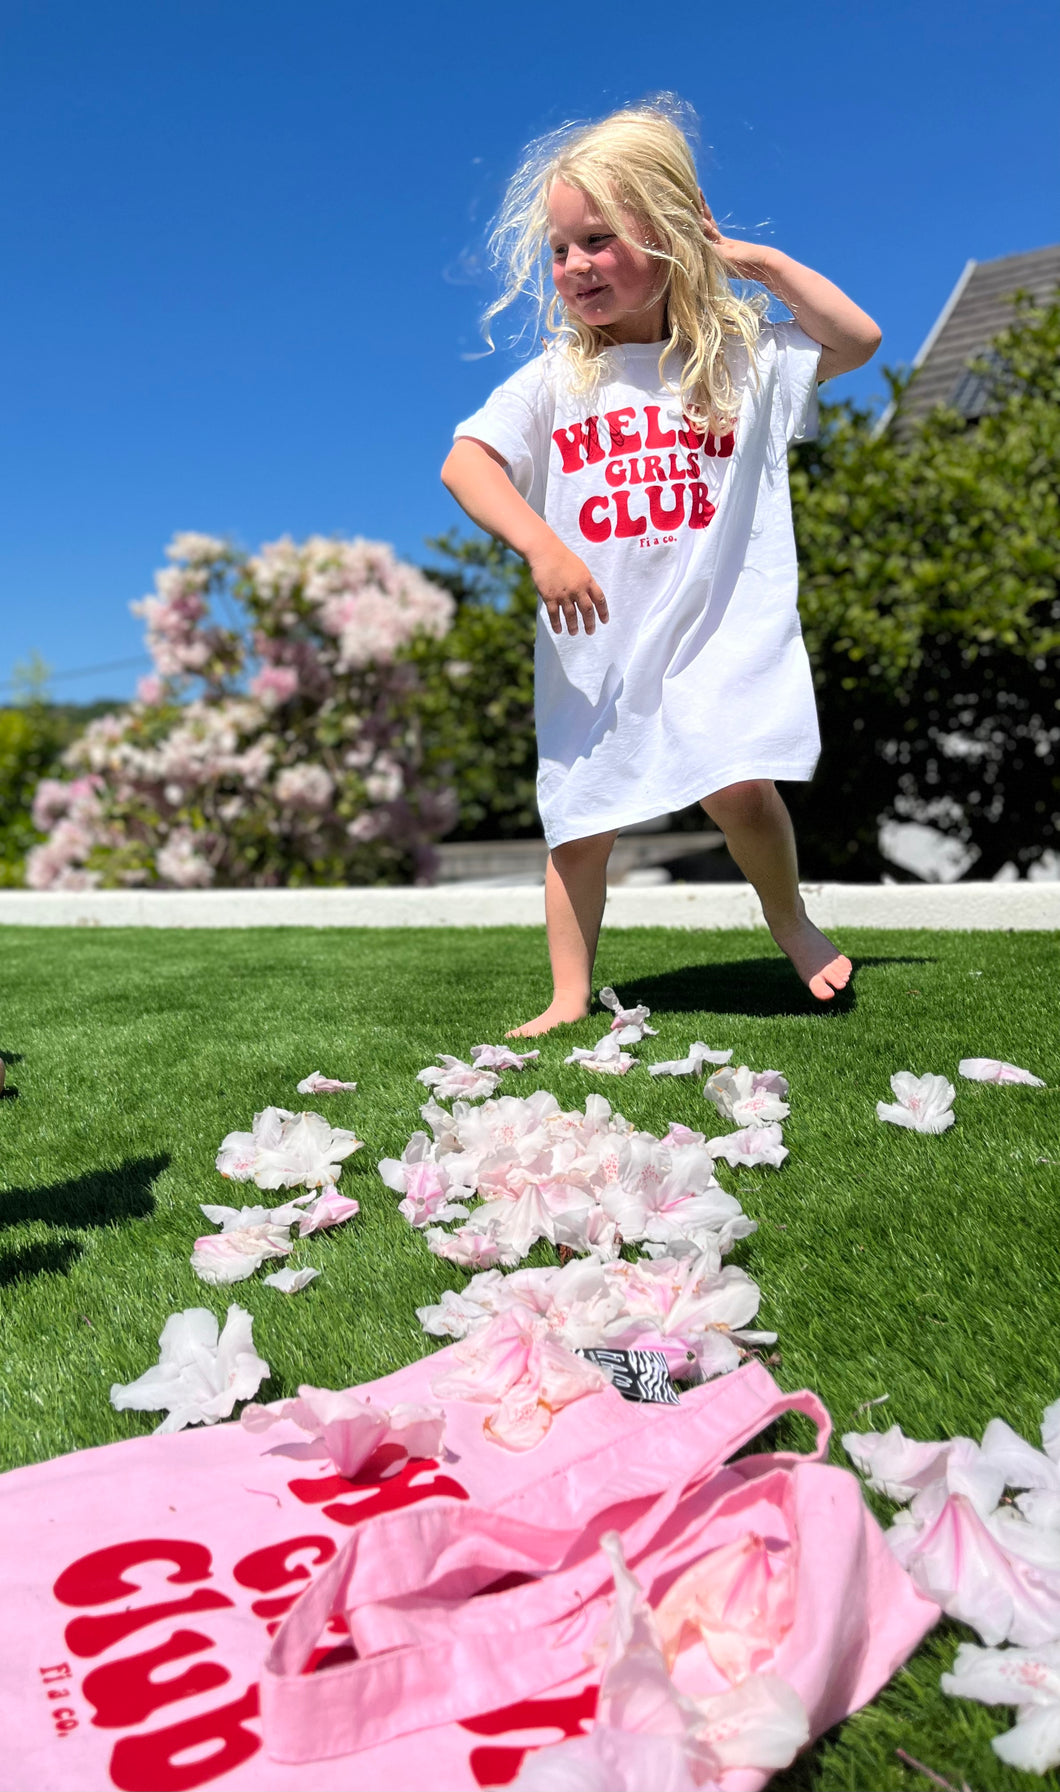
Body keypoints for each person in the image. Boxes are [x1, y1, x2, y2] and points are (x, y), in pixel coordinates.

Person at [441, 100, 881, 1038]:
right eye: (561, 251)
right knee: (579, 826)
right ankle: (568, 994)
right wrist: (544, 545)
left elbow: (856, 339)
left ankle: (792, 924)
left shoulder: (739, 363)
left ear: (669, 237)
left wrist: (750, 262)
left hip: (713, 636)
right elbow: (465, 463)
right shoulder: (559, 380)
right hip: (595, 647)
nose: (574, 268)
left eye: (597, 240)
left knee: (742, 790)